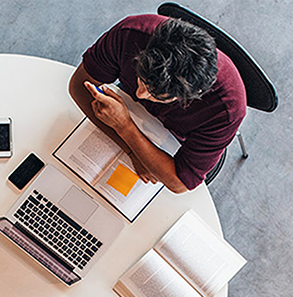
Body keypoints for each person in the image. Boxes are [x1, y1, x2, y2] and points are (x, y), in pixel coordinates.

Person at [69, 14, 247, 193]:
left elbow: (179, 183)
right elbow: (78, 86)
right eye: (140, 79)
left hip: (176, 141)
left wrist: (125, 127)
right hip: (133, 118)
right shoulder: (130, 33)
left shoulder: (227, 109)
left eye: (156, 94)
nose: (140, 93)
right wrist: (132, 150)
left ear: (192, 95)